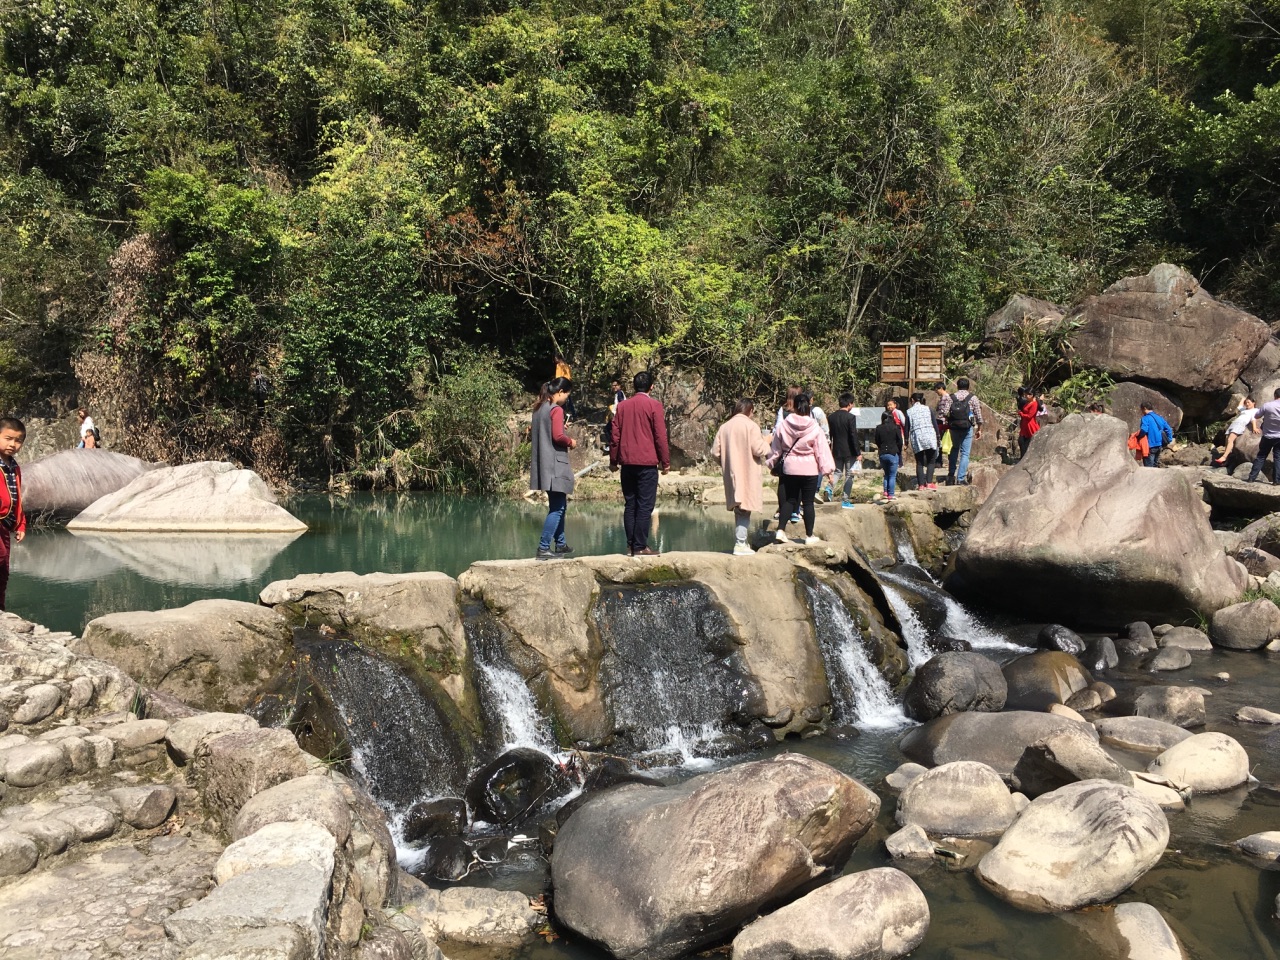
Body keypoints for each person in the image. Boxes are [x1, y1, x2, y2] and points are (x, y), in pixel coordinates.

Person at [610, 371, 670, 556]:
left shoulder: (622, 407)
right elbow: (660, 436)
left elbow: (615, 436)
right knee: (645, 505)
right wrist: (665, 462)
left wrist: (613, 460)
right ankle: (640, 546)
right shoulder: (654, 405)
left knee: (630, 504)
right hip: (647, 463)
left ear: (634, 387)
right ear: (651, 387)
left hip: (627, 463)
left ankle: (631, 546)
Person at [767, 394, 834, 544]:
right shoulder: (814, 427)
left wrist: (771, 463)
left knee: (790, 500)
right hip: (809, 469)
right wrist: (828, 470)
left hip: (790, 468)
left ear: (794, 406)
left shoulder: (784, 425)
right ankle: (809, 536)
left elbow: (776, 449)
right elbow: (821, 451)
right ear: (808, 407)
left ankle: (780, 531)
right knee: (808, 503)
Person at [712, 399, 771, 556]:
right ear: (750, 411)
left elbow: (715, 452)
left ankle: (741, 542)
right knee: (745, 507)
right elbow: (758, 449)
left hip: (731, 472)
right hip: (747, 471)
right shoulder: (751, 426)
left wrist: (725, 462)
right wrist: (767, 442)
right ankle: (740, 543)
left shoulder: (724, 427)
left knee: (739, 508)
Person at [529, 378, 577, 560]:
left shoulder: (539, 409)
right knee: (557, 508)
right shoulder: (556, 409)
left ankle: (561, 544)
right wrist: (570, 441)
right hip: (555, 465)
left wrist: (560, 428)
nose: (566, 398)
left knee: (559, 505)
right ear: (560, 392)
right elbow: (558, 436)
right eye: (567, 395)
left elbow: (548, 431)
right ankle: (543, 548)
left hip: (544, 465)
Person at [0, 417, 27, 611]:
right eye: (8, 438)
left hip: (6, 524)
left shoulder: (14, 466)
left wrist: (21, 523)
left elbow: (16, 495)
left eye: (18, 441)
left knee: (3, 568)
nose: (13, 444)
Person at [938, 378, 983, 485]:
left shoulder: (951, 397)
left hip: (953, 427)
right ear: (968, 386)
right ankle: (960, 478)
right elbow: (978, 415)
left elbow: (944, 412)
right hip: (967, 427)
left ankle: (950, 476)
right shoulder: (973, 398)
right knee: (965, 453)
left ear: (957, 386)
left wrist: (950, 421)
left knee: (954, 450)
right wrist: (979, 429)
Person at [827, 393, 862, 507]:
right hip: (849, 451)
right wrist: (858, 453)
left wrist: (829, 449)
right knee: (849, 475)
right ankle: (845, 500)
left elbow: (830, 435)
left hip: (836, 449)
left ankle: (829, 488)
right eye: (852, 403)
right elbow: (853, 435)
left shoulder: (831, 417)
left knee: (837, 472)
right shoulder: (850, 417)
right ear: (849, 404)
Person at [905, 393, 939, 489]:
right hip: (930, 436)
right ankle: (929, 483)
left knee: (919, 462)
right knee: (931, 461)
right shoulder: (928, 409)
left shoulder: (909, 411)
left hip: (917, 438)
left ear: (912, 400)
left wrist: (906, 441)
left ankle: (921, 485)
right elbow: (934, 424)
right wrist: (938, 436)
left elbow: (906, 427)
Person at [1247, 388, 1280, 484]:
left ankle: (1251, 478)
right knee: (1278, 458)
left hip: (1267, 436)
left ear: (1275, 396)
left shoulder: (1267, 405)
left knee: (1261, 456)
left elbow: (1257, 416)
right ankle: (1276, 481)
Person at [1214, 397, 1260, 465]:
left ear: (1253, 403)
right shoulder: (1245, 410)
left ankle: (1224, 457)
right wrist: (1243, 399)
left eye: (1249, 402)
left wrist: (1254, 428)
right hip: (1234, 423)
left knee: (1230, 439)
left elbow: (1253, 418)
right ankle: (1226, 460)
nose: (1247, 404)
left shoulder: (1255, 410)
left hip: (1240, 424)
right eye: (1246, 403)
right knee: (1227, 440)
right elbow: (1239, 407)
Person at [875, 410, 903, 501]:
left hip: (882, 454)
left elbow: (877, 441)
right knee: (892, 475)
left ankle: (885, 492)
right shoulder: (896, 427)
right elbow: (900, 442)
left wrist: (881, 447)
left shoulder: (878, 428)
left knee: (886, 474)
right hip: (893, 453)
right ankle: (891, 494)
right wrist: (898, 450)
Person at [1137, 402, 1174, 468]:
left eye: (1142, 410)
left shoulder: (1145, 418)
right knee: (1156, 466)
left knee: (1149, 468)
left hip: (1150, 446)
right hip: (1159, 445)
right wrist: (1169, 439)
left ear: (1145, 408)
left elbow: (1144, 430)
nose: (1142, 412)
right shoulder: (1159, 418)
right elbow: (1168, 429)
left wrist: (1137, 438)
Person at [1016, 386, 1041, 459]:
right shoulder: (1027, 402)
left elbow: (1029, 416)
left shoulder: (1034, 404)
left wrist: (1021, 413)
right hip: (1024, 425)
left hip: (1030, 425)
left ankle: (1026, 458)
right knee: (1021, 441)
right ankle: (1022, 458)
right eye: (1025, 394)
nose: (1026, 396)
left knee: (1028, 443)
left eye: (1027, 394)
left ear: (1032, 395)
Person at [553, 355, 576, 421]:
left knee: (561, 401)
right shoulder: (567, 365)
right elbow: (569, 377)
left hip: (561, 385)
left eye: (556, 359)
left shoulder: (559, 366)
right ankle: (573, 414)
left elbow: (558, 377)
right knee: (569, 400)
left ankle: (562, 415)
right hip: (567, 384)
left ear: (559, 359)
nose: (555, 360)